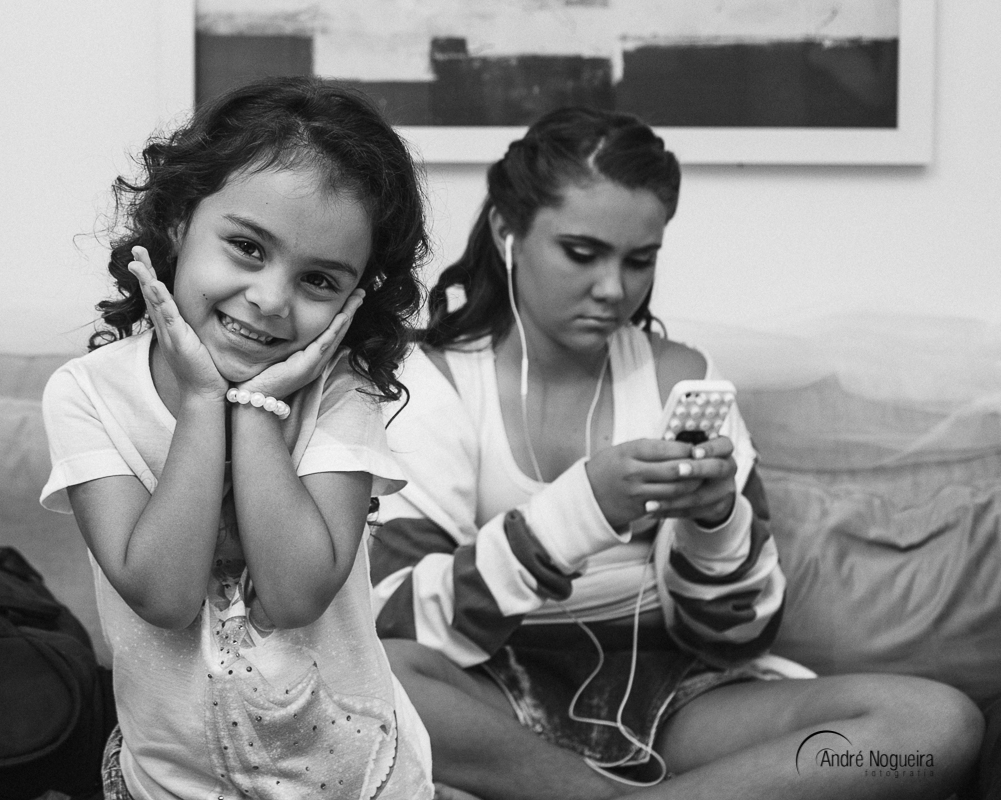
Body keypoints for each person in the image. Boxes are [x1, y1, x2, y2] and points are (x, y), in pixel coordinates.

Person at [369, 107, 983, 800]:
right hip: (491, 699)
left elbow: (738, 637)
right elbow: (398, 624)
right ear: (507, 231)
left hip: (674, 700)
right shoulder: (434, 385)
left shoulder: (679, 377)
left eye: (639, 260)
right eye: (582, 253)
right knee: (379, 681)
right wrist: (583, 510)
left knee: (933, 724)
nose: (613, 289)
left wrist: (715, 522)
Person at [40, 77, 435, 800]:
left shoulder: (340, 394)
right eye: (248, 247)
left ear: (356, 299)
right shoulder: (89, 394)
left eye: (319, 281)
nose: (271, 299)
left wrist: (254, 408)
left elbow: (295, 594)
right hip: (164, 786)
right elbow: (162, 594)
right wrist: (202, 401)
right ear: (177, 222)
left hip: (357, 783)